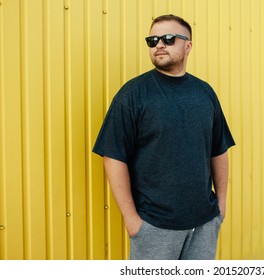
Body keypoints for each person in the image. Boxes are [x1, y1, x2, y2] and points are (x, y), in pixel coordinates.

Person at [93, 14, 235, 260]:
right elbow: (113, 157)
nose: (159, 44)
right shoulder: (133, 94)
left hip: (204, 223)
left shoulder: (205, 92)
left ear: (187, 46)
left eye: (169, 38)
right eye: (153, 40)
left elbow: (218, 150)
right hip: (154, 226)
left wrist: (220, 206)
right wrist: (133, 220)